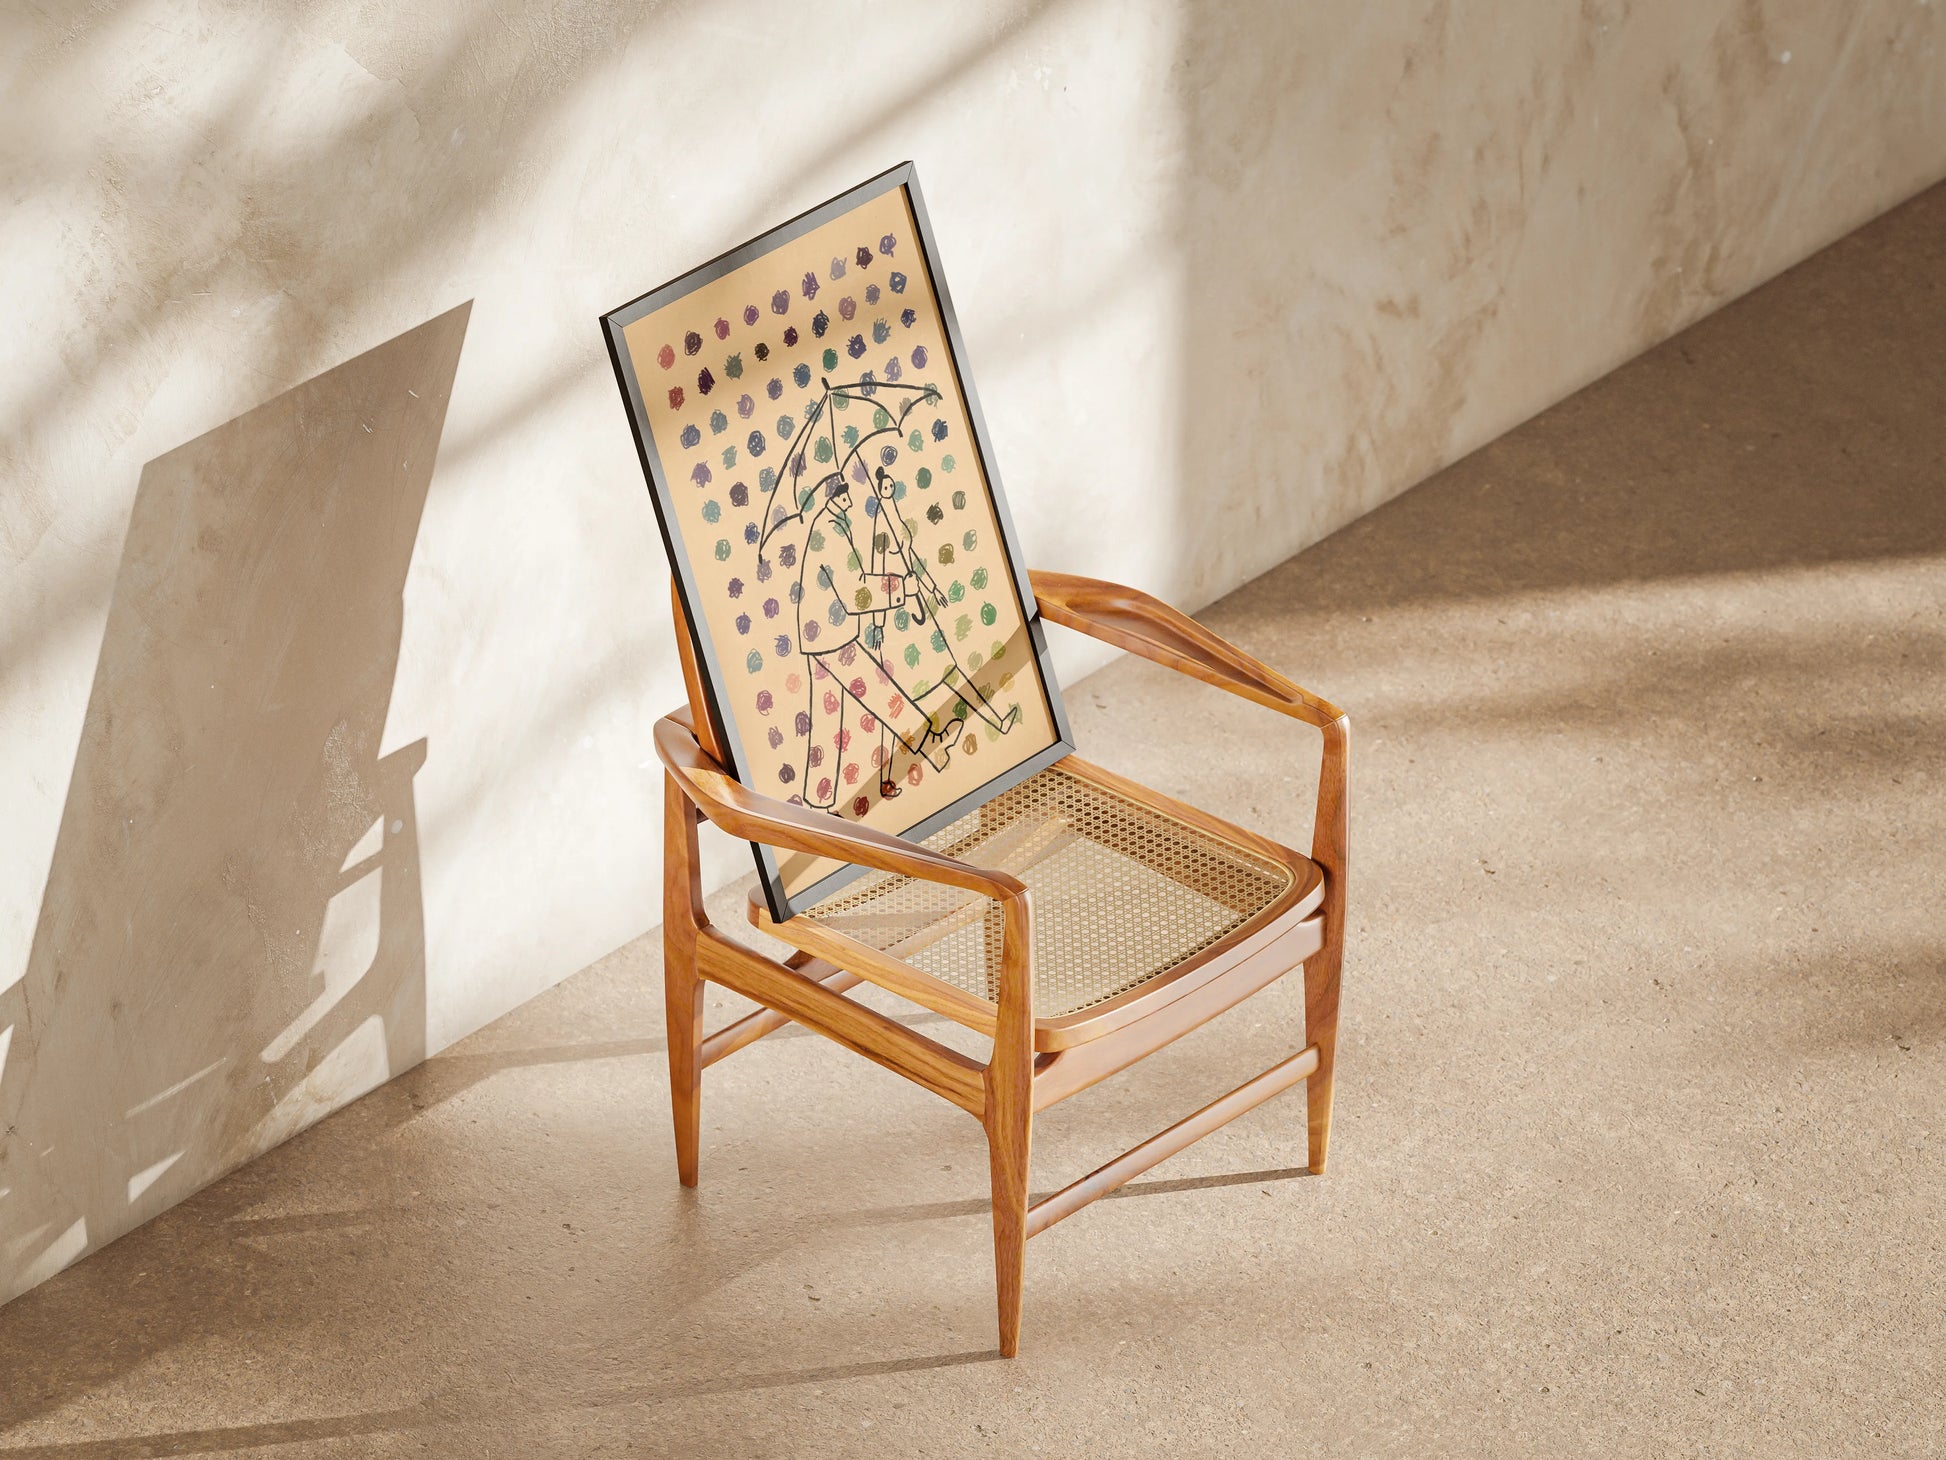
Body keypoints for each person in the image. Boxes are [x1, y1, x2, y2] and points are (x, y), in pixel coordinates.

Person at [795, 474, 965, 809]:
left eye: (846, 492)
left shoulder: (832, 525)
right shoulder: (829, 531)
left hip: (820, 635)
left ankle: (817, 804)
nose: (848, 497)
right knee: (883, 693)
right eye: (841, 493)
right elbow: (853, 590)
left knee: (829, 719)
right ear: (831, 497)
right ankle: (932, 746)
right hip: (831, 636)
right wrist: (903, 588)